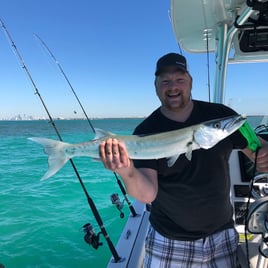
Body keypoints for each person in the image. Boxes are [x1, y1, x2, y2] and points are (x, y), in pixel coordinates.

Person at [99, 53, 268, 267]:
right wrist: (125, 170)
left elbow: (257, 146)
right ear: (156, 85)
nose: (173, 87)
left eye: (179, 79)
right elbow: (147, 193)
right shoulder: (145, 131)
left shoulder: (223, 117)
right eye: (165, 81)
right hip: (169, 239)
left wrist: (263, 155)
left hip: (222, 234)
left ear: (190, 81)